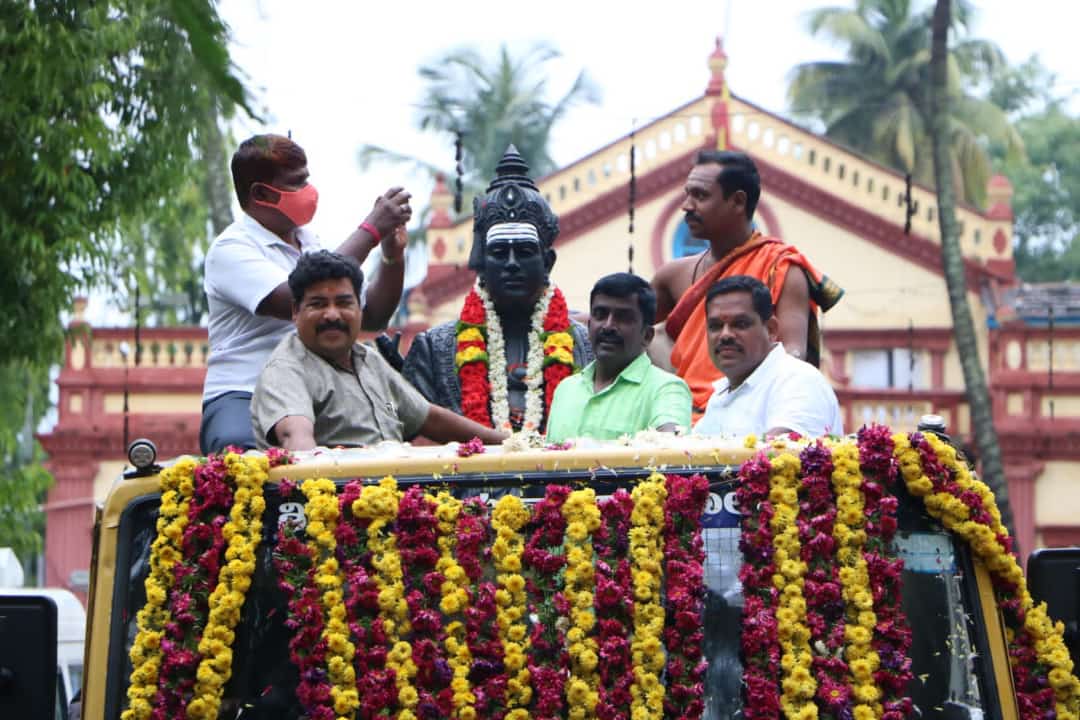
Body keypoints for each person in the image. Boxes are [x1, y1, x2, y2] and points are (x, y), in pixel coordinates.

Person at [200, 133, 413, 454]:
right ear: (261, 194)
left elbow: (372, 317)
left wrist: (392, 256)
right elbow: (296, 297)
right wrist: (370, 231)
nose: (308, 192)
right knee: (243, 467)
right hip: (245, 392)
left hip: (318, 391)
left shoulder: (310, 243)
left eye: (307, 181)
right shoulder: (231, 249)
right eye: (296, 184)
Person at [403, 146, 592, 434]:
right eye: (500, 251)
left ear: (548, 262)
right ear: (480, 262)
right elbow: (405, 428)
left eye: (525, 251)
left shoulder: (586, 344)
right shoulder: (433, 348)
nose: (512, 263)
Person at [650, 150, 843, 419]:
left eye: (700, 196)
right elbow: (628, 331)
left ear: (738, 201)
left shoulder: (782, 267)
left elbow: (792, 357)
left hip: (749, 421)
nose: (687, 206)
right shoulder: (671, 276)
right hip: (678, 420)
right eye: (687, 194)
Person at [251, 251, 505, 451]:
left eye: (343, 303)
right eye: (318, 304)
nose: (332, 314)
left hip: (397, 498)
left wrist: (510, 445)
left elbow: (429, 418)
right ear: (296, 311)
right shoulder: (287, 369)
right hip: (334, 506)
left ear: (360, 308)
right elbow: (295, 439)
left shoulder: (367, 358)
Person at [545, 273, 691, 442]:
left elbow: (670, 451)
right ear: (589, 325)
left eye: (623, 318)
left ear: (647, 335)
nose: (608, 326)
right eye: (600, 314)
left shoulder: (666, 389)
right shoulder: (566, 388)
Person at [693, 276, 843, 439]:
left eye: (740, 324)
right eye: (715, 326)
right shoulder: (721, 394)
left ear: (771, 329)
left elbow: (778, 453)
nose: (725, 335)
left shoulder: (797, 379)